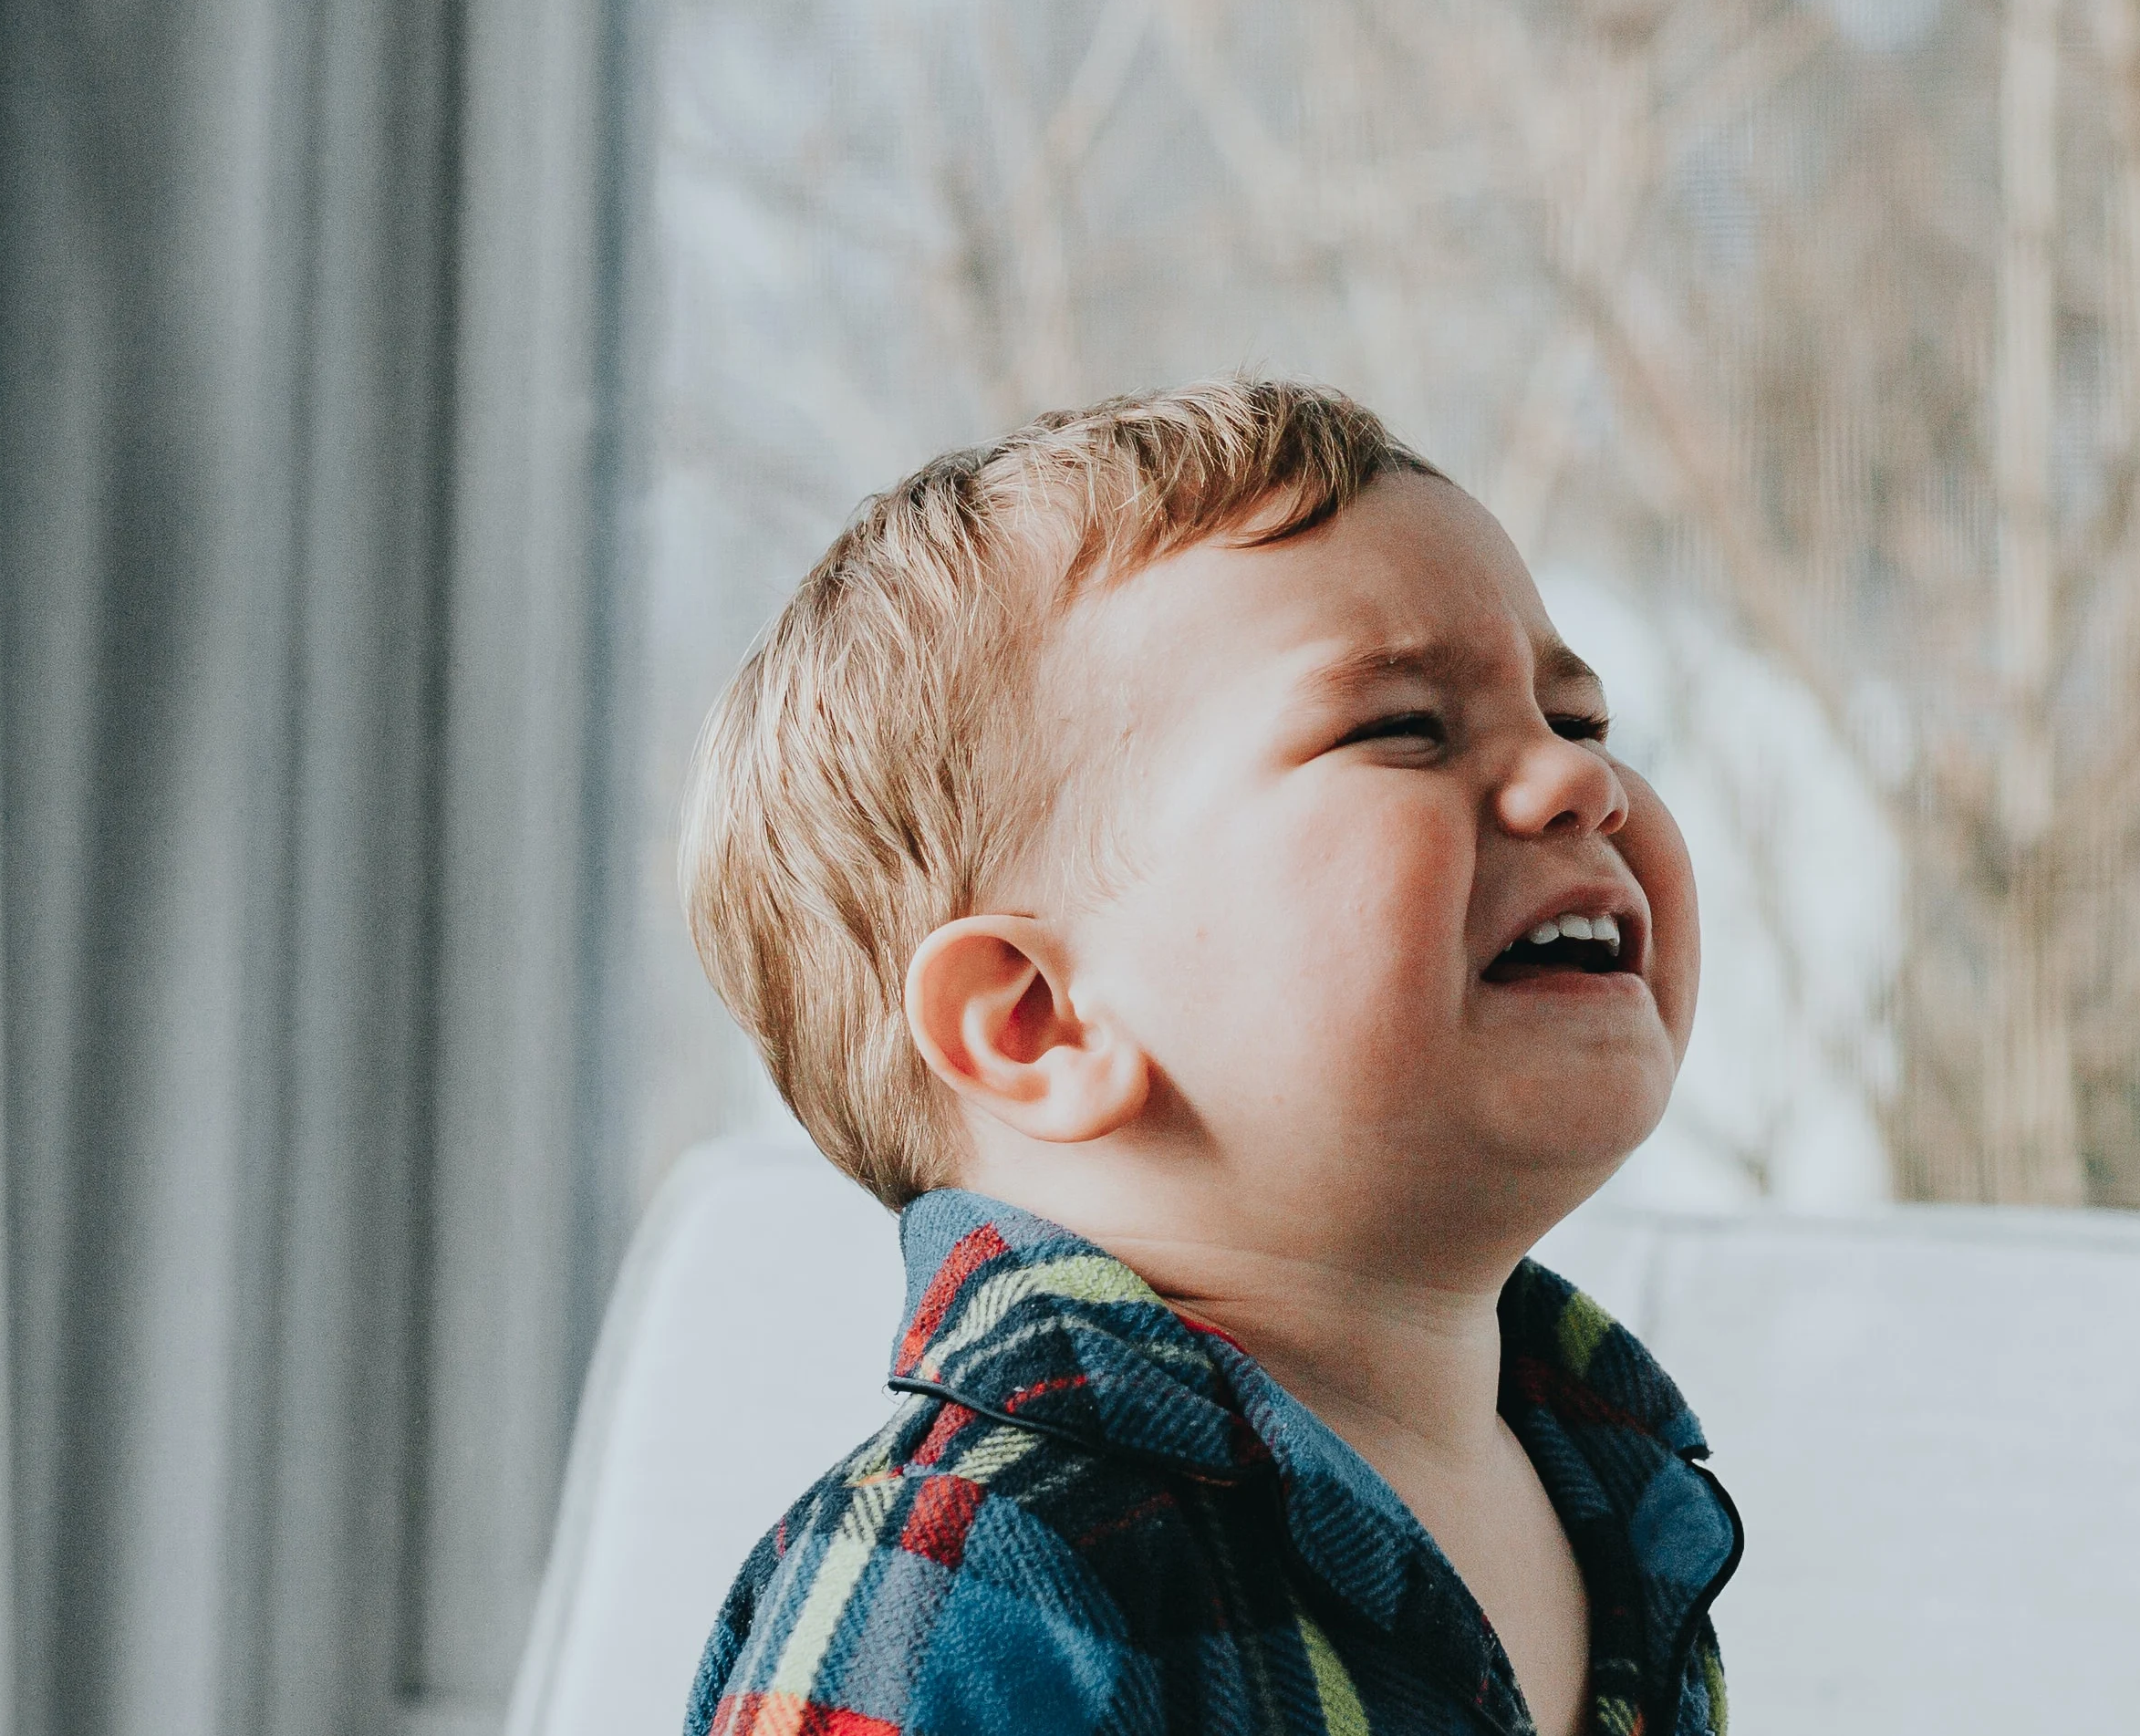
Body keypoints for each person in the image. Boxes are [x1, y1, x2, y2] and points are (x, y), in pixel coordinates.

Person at [675, 379, 1740, 1736]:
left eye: (1580, 723)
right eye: (1401, 727)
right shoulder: (962, 1564)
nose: (1577, 781)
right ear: (1037, 1022)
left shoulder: (1609, 1487)